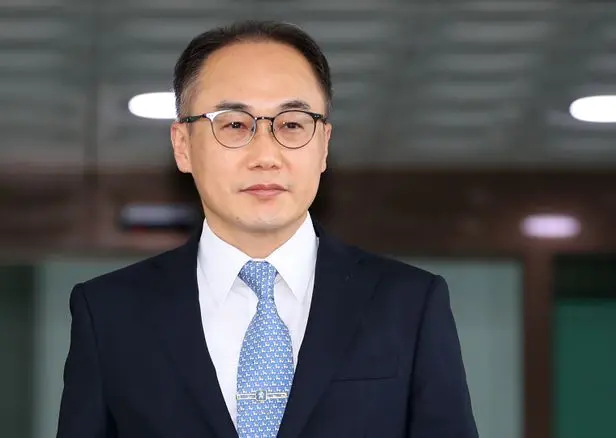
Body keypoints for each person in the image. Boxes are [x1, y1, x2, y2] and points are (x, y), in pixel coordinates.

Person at [56, 20, 478, 438]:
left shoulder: (408, 304)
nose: (265, 155)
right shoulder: (110, 313)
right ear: (183, 146)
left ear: (324, 144)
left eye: (291, 124)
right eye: (234, 124)